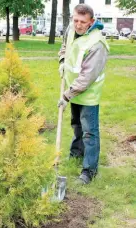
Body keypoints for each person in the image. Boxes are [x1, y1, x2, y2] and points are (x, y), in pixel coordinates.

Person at [58, 4, 109, 184]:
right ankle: (76, 154)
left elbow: (87, 78)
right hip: (74, 89)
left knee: (89, 131)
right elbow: (65, 46)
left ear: (91, 22)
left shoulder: (97, 44)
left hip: (88, 93)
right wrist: (62, 61)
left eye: (83, 22)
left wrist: (66, 96)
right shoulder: (71, 29)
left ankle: (89, 171)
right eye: (76, 20)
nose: (78, 25)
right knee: (76, 125)